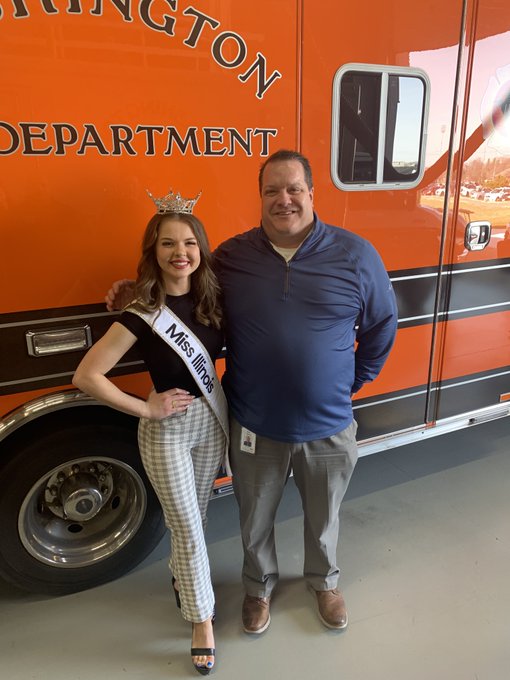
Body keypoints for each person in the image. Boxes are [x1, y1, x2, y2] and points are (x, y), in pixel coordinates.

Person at [107, 149, 398, 636]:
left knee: (324, 517)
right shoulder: (232, 256)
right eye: (271, 191)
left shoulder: (356, 254)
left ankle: (323, 581)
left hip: (329, 425)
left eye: (293, 189)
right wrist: (131, 291)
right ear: (259, 197)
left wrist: (347, 385)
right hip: (254, 422)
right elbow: (183, 289)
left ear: (311, 193)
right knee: (254, 517)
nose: (283, 200)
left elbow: (382, 328)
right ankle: (258, 587)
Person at [75, 192, 227, 675]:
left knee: (197, 520)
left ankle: (186, 579)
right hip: (166, 431)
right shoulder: (141, 309)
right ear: (153, 250)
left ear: (200, 249)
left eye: (188, 243)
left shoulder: (213, 297)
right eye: (167, 244)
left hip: (211, 422)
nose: (179, 252)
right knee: (183, 525)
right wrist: (145, 406)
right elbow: (87, 375)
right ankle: (201, 619)